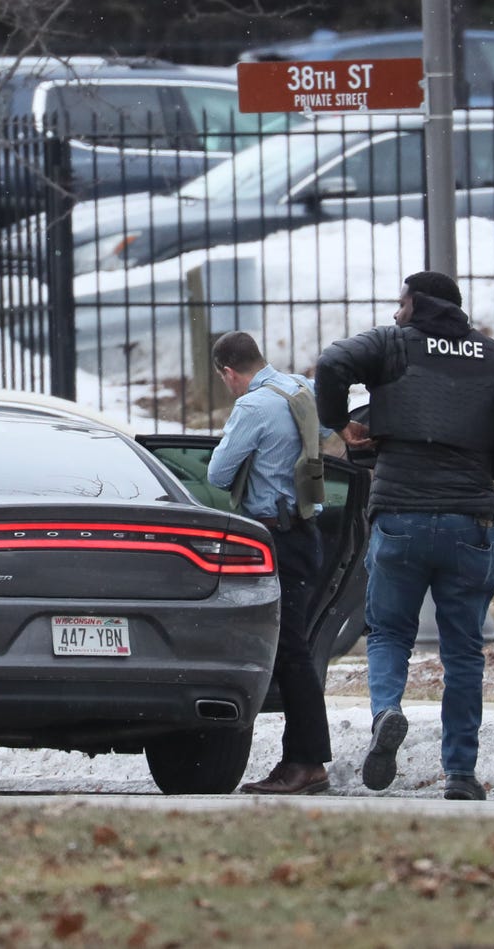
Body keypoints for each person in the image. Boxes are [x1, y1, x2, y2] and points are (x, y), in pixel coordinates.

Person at [315, 271, 494, 800]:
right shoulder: (492, 357)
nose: (396, 312)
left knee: (390, 633)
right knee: (464, 651)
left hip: (401, 515)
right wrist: (491, 465)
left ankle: (388, 711)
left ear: (416, 303)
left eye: (400, 303)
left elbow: (332, 363)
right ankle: (460, 773)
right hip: (471, 521)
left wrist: (339, 424)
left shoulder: (393, 344)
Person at [207, 330, 332, 795]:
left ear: (229, 372)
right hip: (308, 531)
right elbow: (324, 434)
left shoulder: (253, 407)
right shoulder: (301, 389)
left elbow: (217, 473)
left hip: (275, 537)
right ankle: (299, 759)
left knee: (289, 653)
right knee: (294, 650)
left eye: (226, 381)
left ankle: (306, 762)